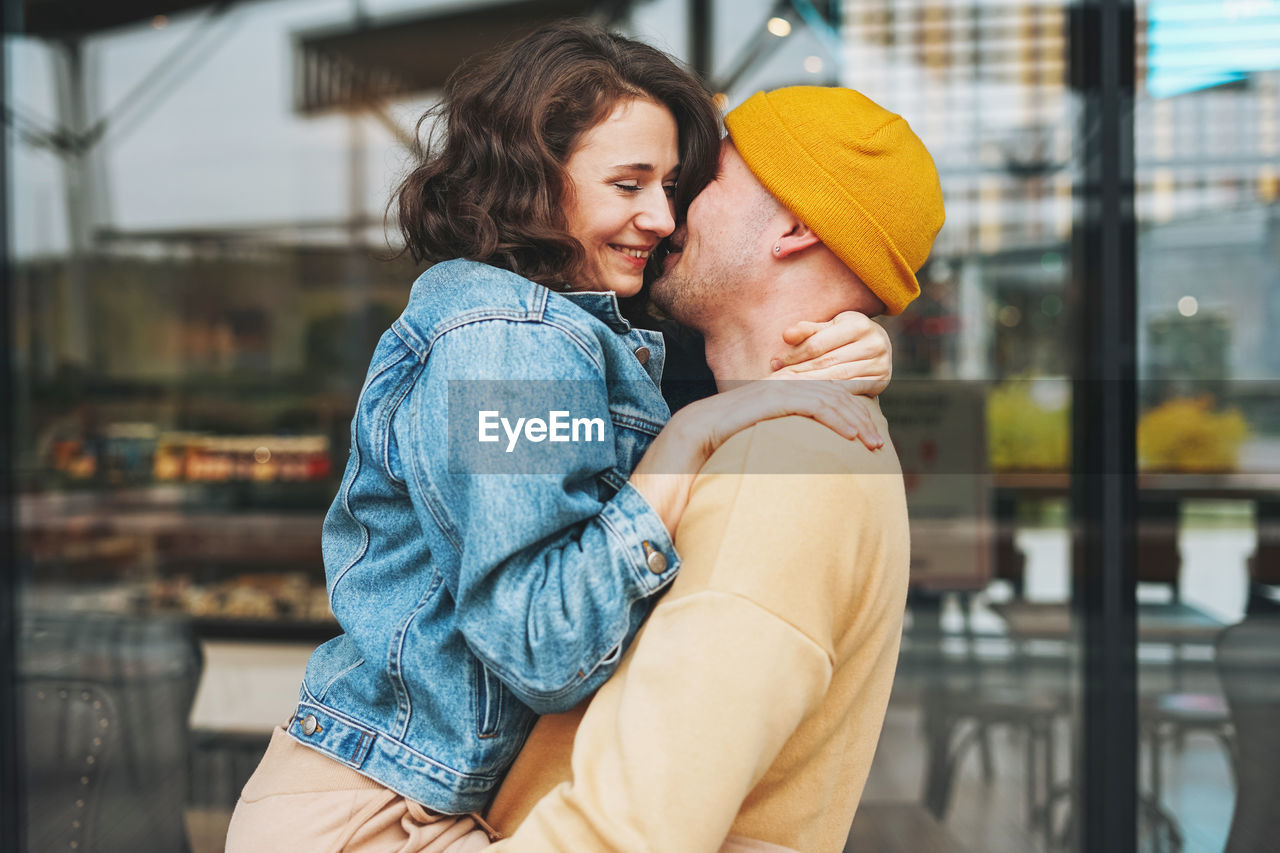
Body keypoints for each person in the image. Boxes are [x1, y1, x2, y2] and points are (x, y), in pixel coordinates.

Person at [225, 24, 895, 853]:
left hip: (415, 797)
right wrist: (687, 439)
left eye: (676, 184)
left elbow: (757, 363)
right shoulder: (507, 340)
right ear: (534, 182)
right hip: (374, 814)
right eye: (628, 183)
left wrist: (851, 342)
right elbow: (543, 642)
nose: (662, 216)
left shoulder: (580, 333)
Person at [483, 85, 945, 852]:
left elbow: (626, 831)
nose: (667, 213)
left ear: (795, 224)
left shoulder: (784, 463)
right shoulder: (772, 430)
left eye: (704, 180)